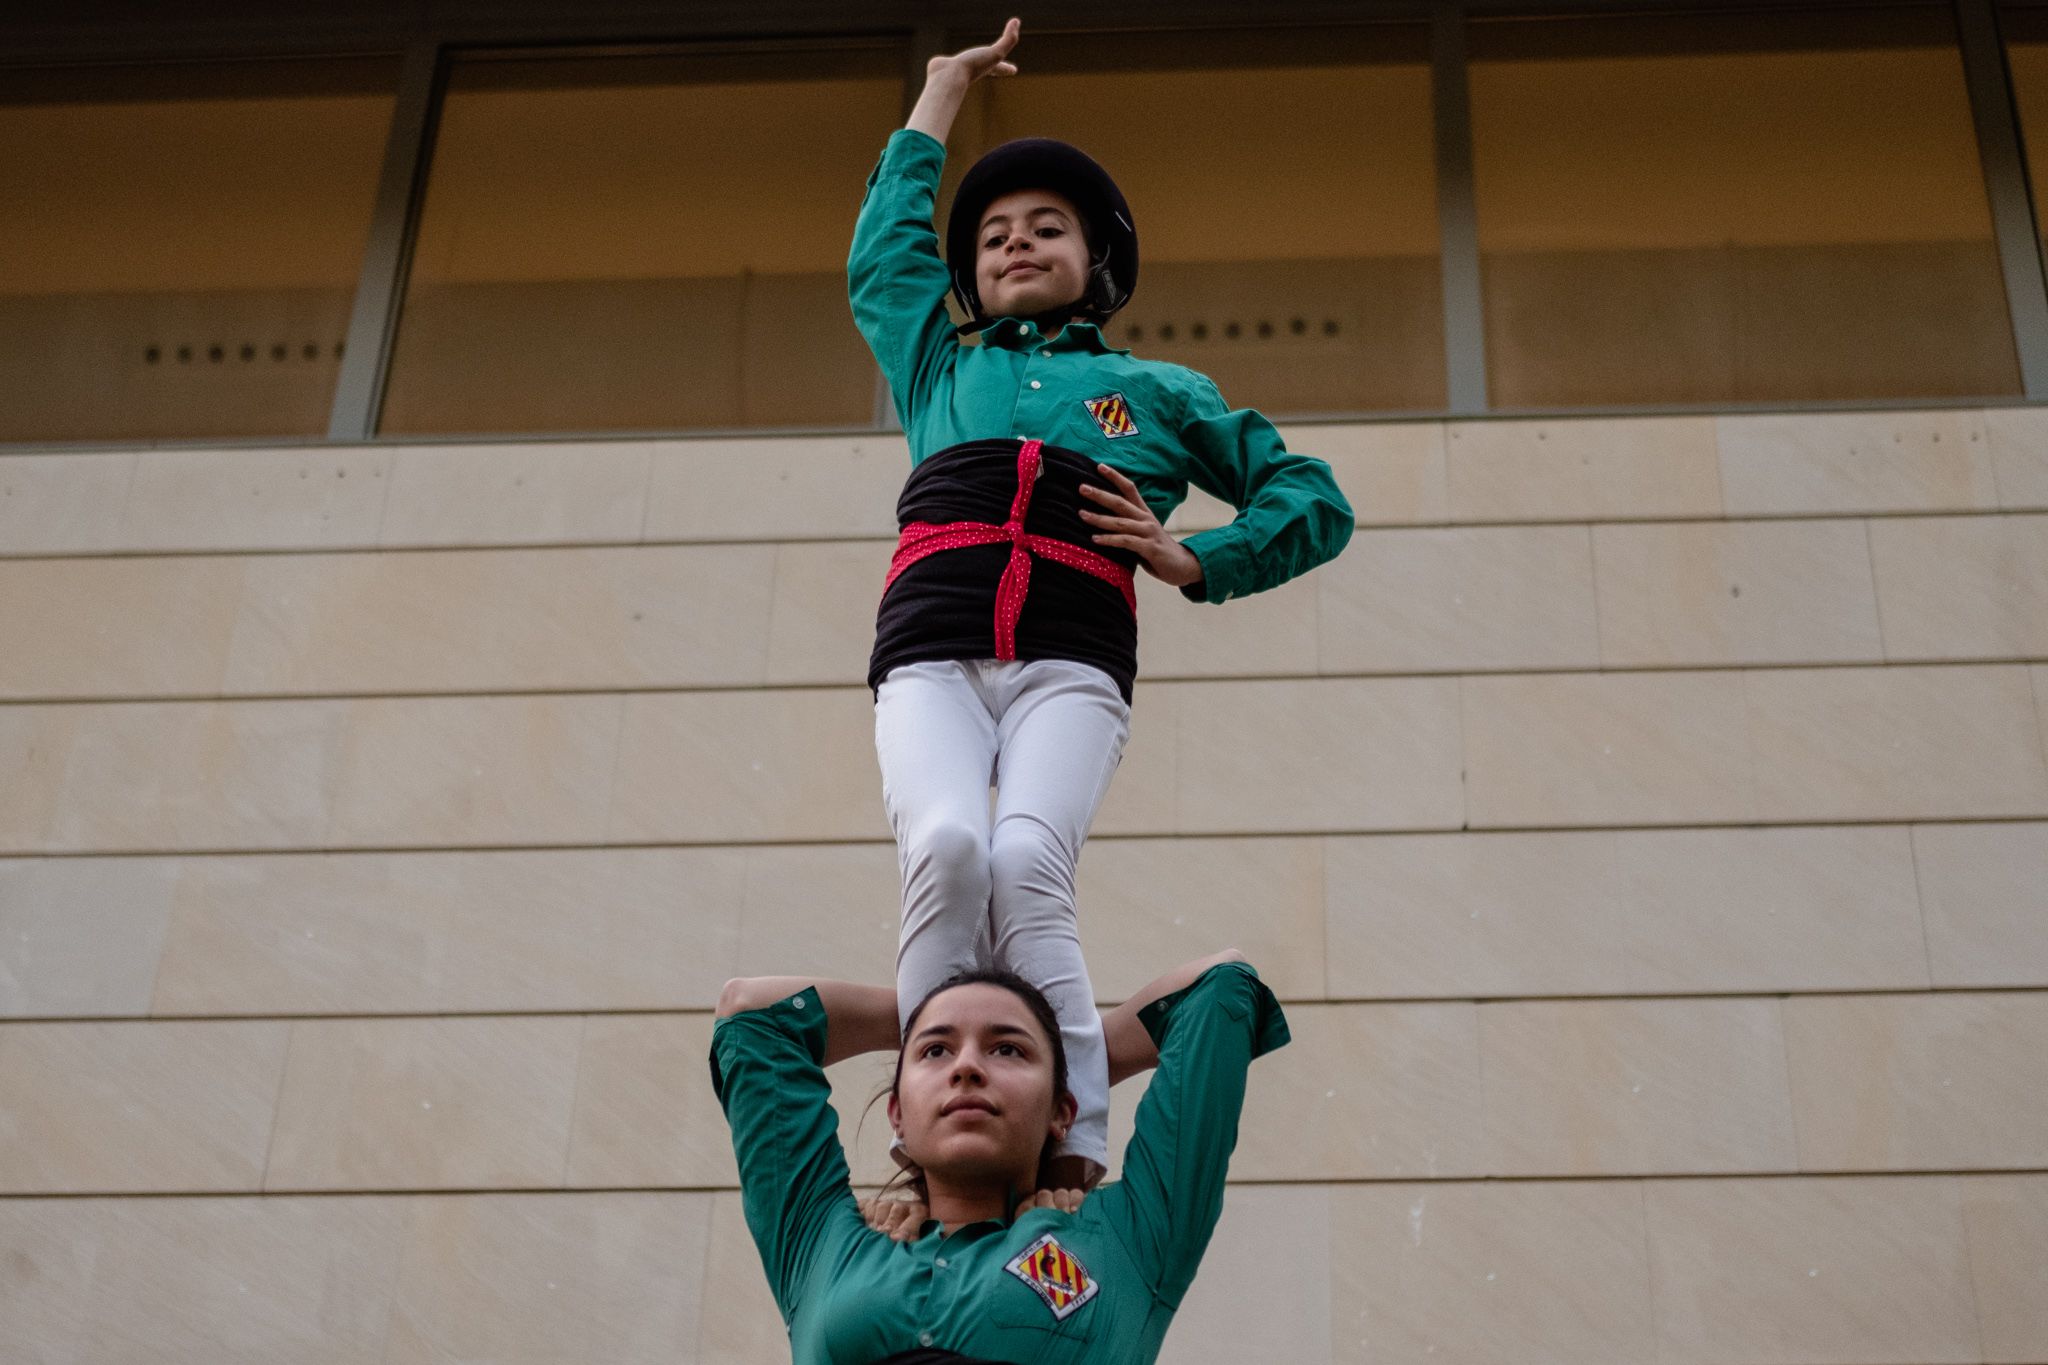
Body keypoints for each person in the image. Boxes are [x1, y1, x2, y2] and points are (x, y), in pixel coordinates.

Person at [852, 18, 1352, 1191]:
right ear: (967, 271)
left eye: (1045, 229)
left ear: (1096, 261)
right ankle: (928, 1134)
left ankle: (1073, 1146)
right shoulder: (938, 363)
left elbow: (1308, 494)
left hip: (1069, 665)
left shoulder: (1154, 391)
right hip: (930, 651)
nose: (1015, 244)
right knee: (946, 843)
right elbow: (883, 252)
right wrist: (937, 96)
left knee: (1026, 862)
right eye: (991, 237)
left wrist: (1197, 560)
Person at [710, 950, 1289, 1364]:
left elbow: (1220, 987)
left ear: (1064, 1110)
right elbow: (752, 1015)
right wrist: (924, 1010)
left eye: (1007, 1049)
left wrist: (1080, 1051)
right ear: (898, 1116)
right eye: (936, 1051)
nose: (966, 1066)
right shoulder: (825, 1245)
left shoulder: (1126, 1241)